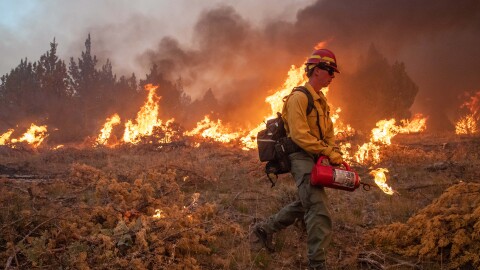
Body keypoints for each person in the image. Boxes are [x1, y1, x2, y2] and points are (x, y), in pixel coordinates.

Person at [253, 48, 343, 270]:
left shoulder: (321, 100)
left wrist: (331, 151)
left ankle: (263, 229)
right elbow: (300, 135)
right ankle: (317, 264)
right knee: (318, 207)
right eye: (330, 71)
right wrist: (327, 152)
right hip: (299, 155)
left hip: (315, 155)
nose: (332, 77)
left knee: (306, 202)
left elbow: (328, 132)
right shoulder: (298, 98)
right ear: (317, 70)